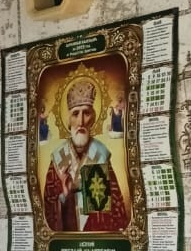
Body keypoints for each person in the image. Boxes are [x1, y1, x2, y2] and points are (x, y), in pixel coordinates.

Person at [42, 73, 129, 232]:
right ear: (68, 120)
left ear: (93, 118)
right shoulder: (58, 157)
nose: (81, 121)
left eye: (86, 113)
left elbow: (116, 211)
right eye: (75, 114)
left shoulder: (100, 154)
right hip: (68, 239)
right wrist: (65, 196)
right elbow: (48, 211)